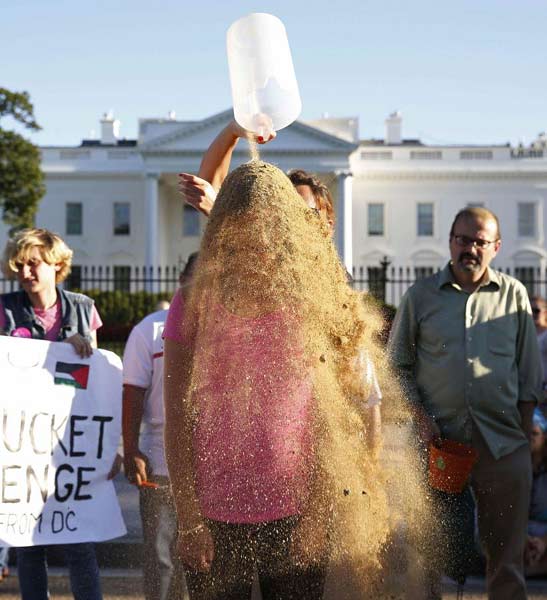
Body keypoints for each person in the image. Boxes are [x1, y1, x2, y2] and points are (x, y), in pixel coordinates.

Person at [164, 161, 383, 600]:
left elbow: (334, 421)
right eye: (242, 229)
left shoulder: (316, 299)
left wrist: (318, 517)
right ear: (224, 229)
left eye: (265, 228)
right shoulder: (194, 300)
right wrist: (189, 521)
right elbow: (176, 416)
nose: (255, 243)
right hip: (214, 517)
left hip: (296, 513)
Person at [389, 207, 543, 600]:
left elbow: (529, 376)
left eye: (479, 242)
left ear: (496, 247)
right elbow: (398, 366)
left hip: (503, 446)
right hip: (437, 447)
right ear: (450, 241)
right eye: (462, 239)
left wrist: (524, 441)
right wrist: (421, 419)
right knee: (428, 559)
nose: (470, 249)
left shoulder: (515, 296)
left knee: (506, 561)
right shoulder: (419, 297)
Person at [0, 228, 112, 600]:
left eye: (34, 264)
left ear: (56, 264)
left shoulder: (83, 308)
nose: (26, 273)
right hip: (22, 448)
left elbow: (93, 387)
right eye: (20, 266)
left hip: (70, 444)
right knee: (29, 546)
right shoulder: (4, 310)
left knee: (80, 543)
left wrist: (114, 447)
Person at [122, 253, 198, 600]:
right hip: (159, 462)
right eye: (194, 281)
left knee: (200, 560)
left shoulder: (225, 333)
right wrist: (131, 449)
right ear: (180, 281)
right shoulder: (150, 330)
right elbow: (133, 392)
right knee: (160, 557)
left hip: (210, 468)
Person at [178, 120, 335, 233]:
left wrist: (216, 211)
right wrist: (233, 130)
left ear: (327, 227)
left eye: (306, 213)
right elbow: (211, 187)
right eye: (284, 212)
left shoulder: (333, 276)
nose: (292, 221)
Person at [525, 409, 547, 575]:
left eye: (535, 433)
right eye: (527, 433)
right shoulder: (512, 467)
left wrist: (543, 541)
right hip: (520, 531)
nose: (530, 438)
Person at [530, 295, 547, 405]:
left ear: (545, 312)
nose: (532, 313)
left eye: (536, 310)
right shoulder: (525, 334)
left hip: (544, 389)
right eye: (529, 310)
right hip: (528, 389)